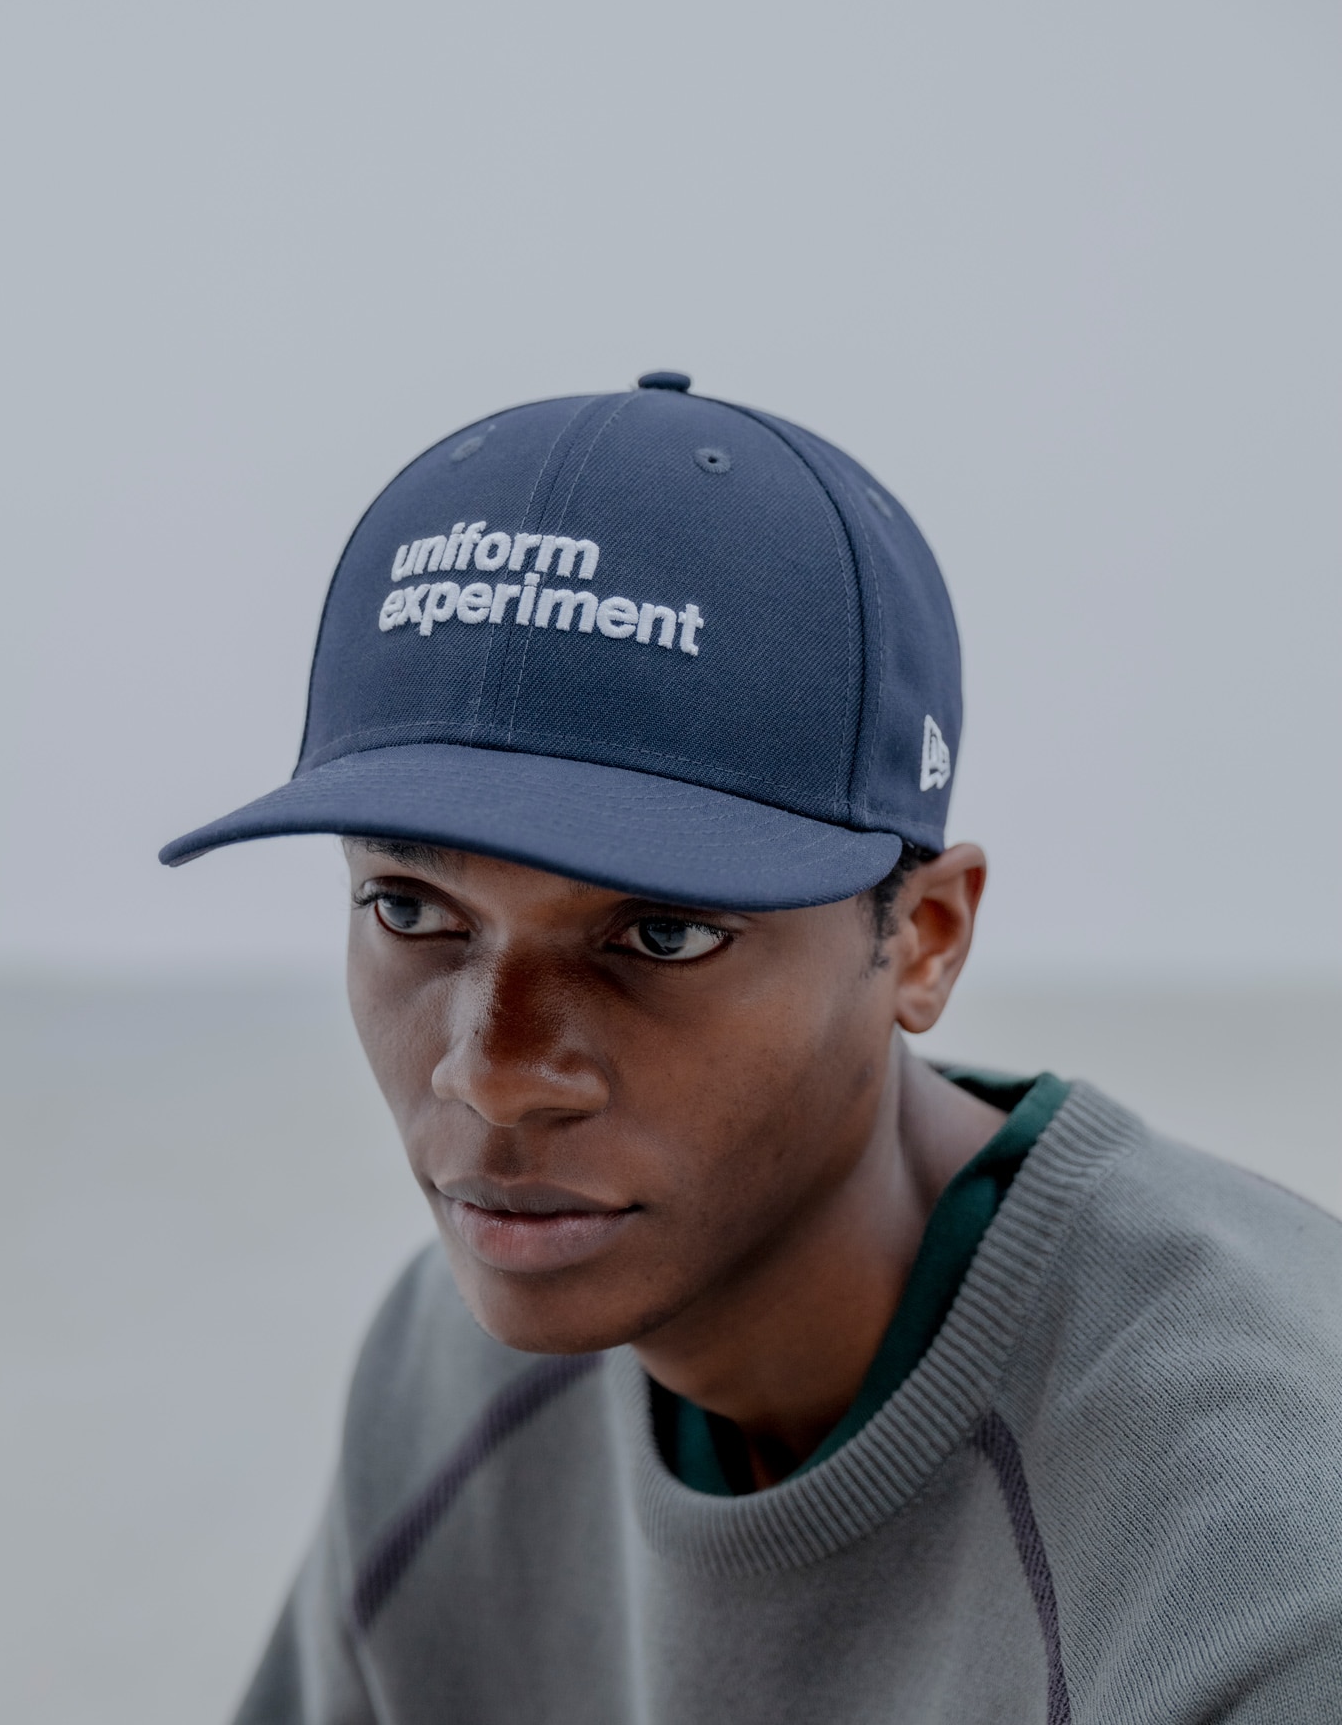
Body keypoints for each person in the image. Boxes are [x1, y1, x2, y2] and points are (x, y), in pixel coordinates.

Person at [162, 372, 1342, 1722]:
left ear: (926, 938)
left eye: (660, 935)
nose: (490, 1073)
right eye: (411, 909)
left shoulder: (1267, 1553)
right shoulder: (452, 1372)